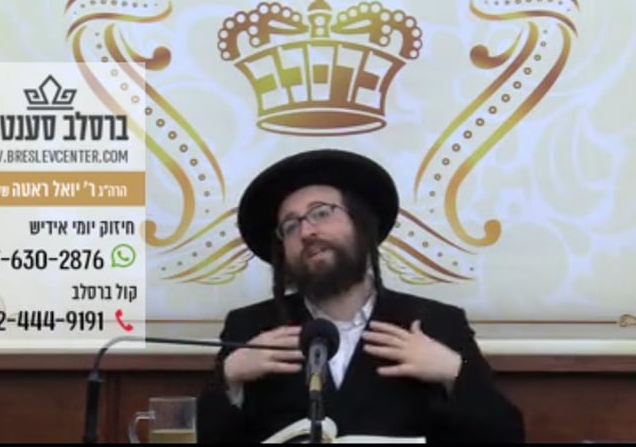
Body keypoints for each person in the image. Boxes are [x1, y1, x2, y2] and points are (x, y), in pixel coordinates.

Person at [197, 149, 525, 443]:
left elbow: (506, 435)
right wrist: (230, 379)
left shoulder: (438, 323)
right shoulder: (250, 328)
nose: (307, 231)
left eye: (321, 213)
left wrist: (454, 372)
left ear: (361, 224)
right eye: (290, 226)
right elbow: (205, 436)